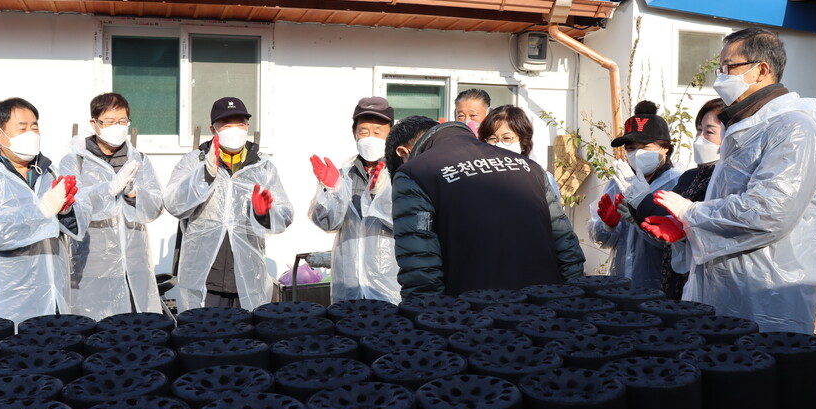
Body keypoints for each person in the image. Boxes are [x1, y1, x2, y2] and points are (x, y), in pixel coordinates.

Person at [649, 28, 816, 333]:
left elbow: (769, 212)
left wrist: (691, 214)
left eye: (728, 68)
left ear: (762, 70)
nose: (720, 77)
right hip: (731, 295)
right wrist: (688, 231)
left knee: (758, 374)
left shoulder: (792, 129)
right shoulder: (747, 128)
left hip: (767, 298)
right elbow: (731, 207)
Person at [386, 115, 584, 299]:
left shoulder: (415, 173)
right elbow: (566, 245)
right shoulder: (528, 167)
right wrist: (573, 302)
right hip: (545, 310)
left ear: (405, 153)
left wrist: (427, 321)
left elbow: (420, 268)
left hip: (475, 316)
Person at [0, 98, 88, 325]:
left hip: (52, 295)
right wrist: (43, 210)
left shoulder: (48, 172)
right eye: (23, 128)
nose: (32, 134)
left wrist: (65, 211)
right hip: (6, 300)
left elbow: (79, 220)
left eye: (35, 127)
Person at [164, 97, 293, 311]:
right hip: (206, 278)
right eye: (227, 124)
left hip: (247, 277)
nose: (235, 129)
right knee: (204, 336)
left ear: (247, 126)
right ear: (213, 128)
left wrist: (264, 214)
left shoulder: (262, 167)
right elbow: (173, 204)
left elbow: (285, 214)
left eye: (240, 123)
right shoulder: (194, 161)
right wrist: (204, 175)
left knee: (247, 341)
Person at [58, 93, 165, 320]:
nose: (117, 127)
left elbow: (155, 205)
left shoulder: (138, 159)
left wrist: (132, 193)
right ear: (94, 123)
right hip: (92, 265)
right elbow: (72, 207)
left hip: (133, 266)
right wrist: (109, 188)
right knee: (95, 330)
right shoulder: (75, 161)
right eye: (109, 121)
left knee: (135, 330)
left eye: (122, 121)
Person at [618, 98, 725, 299]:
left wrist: (645, 208)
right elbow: (664, 231)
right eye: (631, 148)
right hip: (676, 284)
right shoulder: (690, 178)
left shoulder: (727, 180)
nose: (699, 139)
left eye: (709, 132)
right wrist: (612, 224)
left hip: (712, 286)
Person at [308, 97, 400, 304]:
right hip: (348, 283)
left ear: (391, 135)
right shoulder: (343, 174)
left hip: (389, 283)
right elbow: (328, 224)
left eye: (378, 132)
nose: (370, 138)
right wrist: (330, 189)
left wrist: (380, 196)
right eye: (364, 132)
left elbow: (405, 222)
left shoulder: (400, 173)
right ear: (354, 134)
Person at [587, 101, 681, 289]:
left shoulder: (677, 182)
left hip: (662, 289)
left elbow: (678, 246)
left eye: (645, 147)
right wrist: (607, 226)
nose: (637, 154)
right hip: (621, 283)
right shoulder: (619, 183)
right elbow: (602, 240)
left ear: (666, 148)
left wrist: (640, 221)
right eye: (631, 148)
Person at [477, 104, 561, 199]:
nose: (499, 145)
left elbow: (554, 212)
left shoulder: (541, 179)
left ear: (523, 142)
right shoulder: (475, 179)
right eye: (493, 138)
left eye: (507, 138)